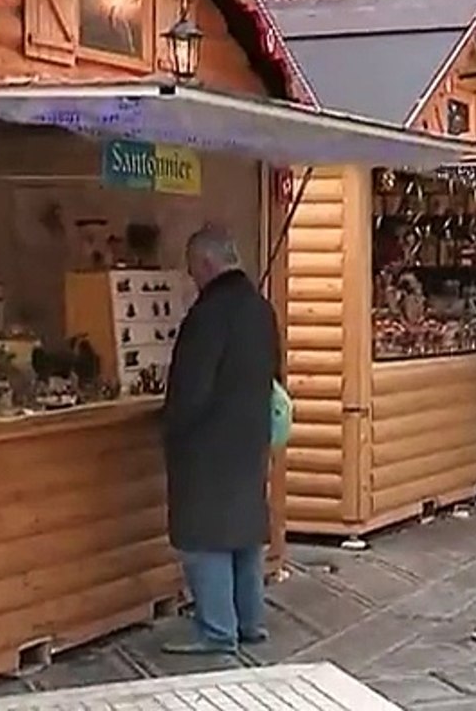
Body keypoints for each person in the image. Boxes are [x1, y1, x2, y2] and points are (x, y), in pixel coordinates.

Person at [161, 223, 278, 658]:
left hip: (208, 446)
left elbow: (191, 388)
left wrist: (171, 427)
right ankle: (250, 622)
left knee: (205, 535)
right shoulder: (260, 309)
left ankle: (216, 630)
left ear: (206, 263)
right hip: (250, 438)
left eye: (192, 267)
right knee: (245, 534)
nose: (191, 277)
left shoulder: (208, 315)